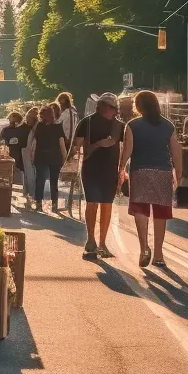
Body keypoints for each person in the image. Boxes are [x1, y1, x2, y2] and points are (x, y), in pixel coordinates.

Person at [118, 89, 182, 267]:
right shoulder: (168, 126)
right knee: (160, 213)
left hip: (140, 172)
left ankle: (144, 248)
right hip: (163, 172)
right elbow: (176, 154)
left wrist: (121, 169)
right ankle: (159, 255)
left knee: (140, 210)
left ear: (138, 106)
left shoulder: (132, 125)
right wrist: (179, 175)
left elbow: (127, 151)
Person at [70, 92, 123, 258]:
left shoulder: (118, 126)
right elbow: (76, 145)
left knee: (106, 206)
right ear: (101, 106)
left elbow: (125, 148)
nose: (110, 110)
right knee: (92, 203)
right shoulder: (87, 122)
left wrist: (122, 169)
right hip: (91, 168)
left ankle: (102, 243)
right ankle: (91, 240)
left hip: (109, 170)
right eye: (108, 106)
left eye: (112, 107)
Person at [30, 105, 67, 212]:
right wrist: (65, 158)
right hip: (55, 157)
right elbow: (62, 144)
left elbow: (35, 142)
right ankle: (54, 205)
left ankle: (38, 204)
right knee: (54, 181)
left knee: (40, 181)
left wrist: (32, 154)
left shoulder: (39, 126)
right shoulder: (58, 127)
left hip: (41, 156)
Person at [21, 107, 39, 206]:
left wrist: (31, 154)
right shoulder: (33, 128)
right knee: (29, 175)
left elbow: (34, 143)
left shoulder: (36, 128)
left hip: (31, 154)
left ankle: (32, 195)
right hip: (29, 153)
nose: (27, 121)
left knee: (31, 175)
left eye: (28, 119)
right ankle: (30, 194)